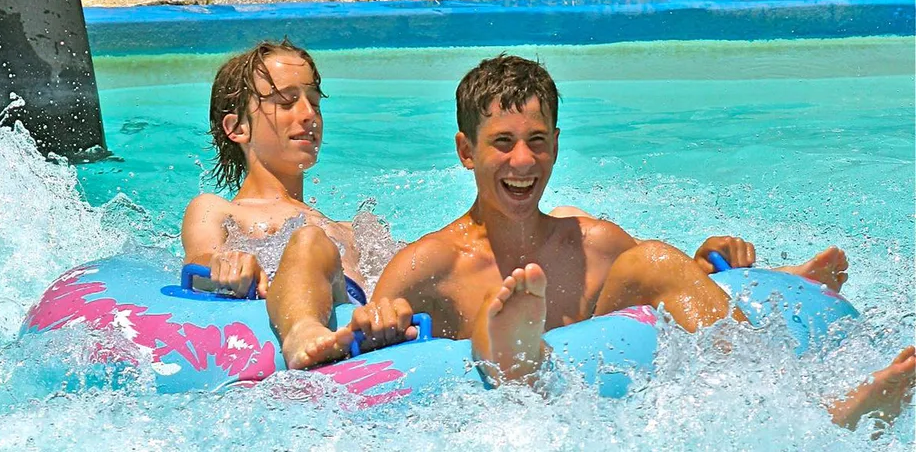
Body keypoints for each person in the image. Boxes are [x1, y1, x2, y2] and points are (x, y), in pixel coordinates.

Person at [357, 54, 914, 429]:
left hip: (603, 402)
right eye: (502, 142)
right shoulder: (429, 263)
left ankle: (819, 413)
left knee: (650, 257)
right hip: (502, 414)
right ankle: (508, 342)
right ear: (465, 150)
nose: (523, 161)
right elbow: (372, 358)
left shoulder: (590, 242)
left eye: (537, 140)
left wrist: (712, 266)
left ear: (556, 142)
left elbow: (673, 284)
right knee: (491, 313)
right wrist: (376, 321)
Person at [180, 40, 415, 370]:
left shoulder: (353, 229)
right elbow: (200, 257)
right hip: (290, 311)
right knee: (309, 241)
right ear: (237, 128)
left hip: (357, 314)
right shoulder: (218, 210)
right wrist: (225, 262)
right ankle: (302, 330)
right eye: (286, 102)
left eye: (314, 103)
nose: (308, 115)